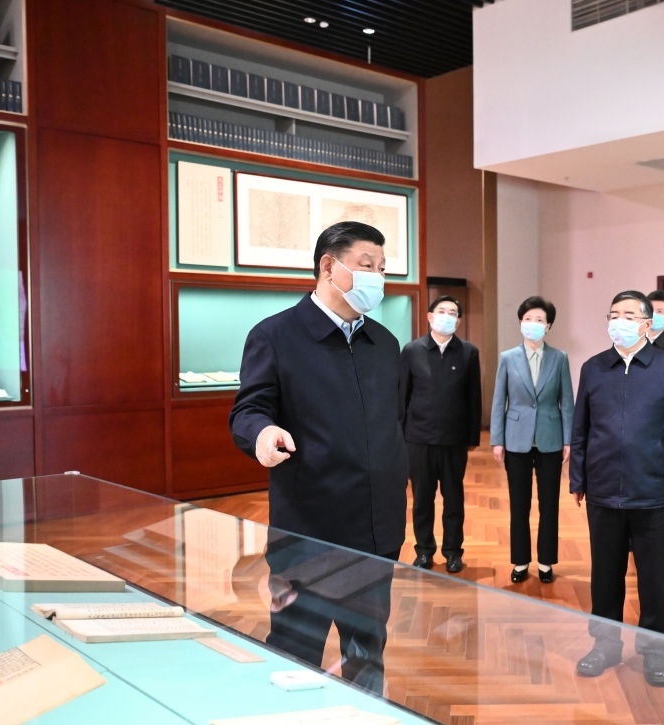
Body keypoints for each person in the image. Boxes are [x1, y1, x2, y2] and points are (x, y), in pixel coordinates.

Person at [228, 220, 408, 694]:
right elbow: (248, 410)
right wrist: (262, 433)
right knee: (296, 652)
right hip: (308, 534)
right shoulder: (276, 335)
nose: (378, 277)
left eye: (382, 268)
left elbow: (392, 423)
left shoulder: (385, 344)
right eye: (366, 265)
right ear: (329, 266)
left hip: (375, 532)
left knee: (366, 653)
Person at [570, 290, 664, 688]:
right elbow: (580, 428)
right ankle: (605, 645)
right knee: (604, 575)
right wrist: (578, 479)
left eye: (628, 315)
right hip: (603, 490)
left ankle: (655, 652)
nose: (619, 322)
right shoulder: (594, 368)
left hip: (652, 492)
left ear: (647, 323)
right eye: (614, 314)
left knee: (653, 579)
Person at [490, 295, 573, 584]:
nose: (533, 324)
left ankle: (546, 561)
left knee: (549, 505)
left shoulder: (559, 358)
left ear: (548, 326)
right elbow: (499, 400)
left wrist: (569, 439)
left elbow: (567, 401)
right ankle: (521, 560)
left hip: (550, 439)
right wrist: (497, 440)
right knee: (519, 504)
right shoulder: (507, 358)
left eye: (539, 320)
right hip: (516, 440)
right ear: (520, 322)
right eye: (528, 319)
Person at [399, 295, 482, 573]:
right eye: (442, 311)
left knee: (453, 500)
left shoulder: (469, 352)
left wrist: (472, 438)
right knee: (422, 500)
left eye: (453, 313)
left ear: (458, 321)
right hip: (418, 439)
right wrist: (400, 436)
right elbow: (402, 396)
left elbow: (474, 398)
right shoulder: (412, 350)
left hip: (453, 441)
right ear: (430, 317)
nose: (447, 316)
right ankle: (424, 551)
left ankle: (453, 552)